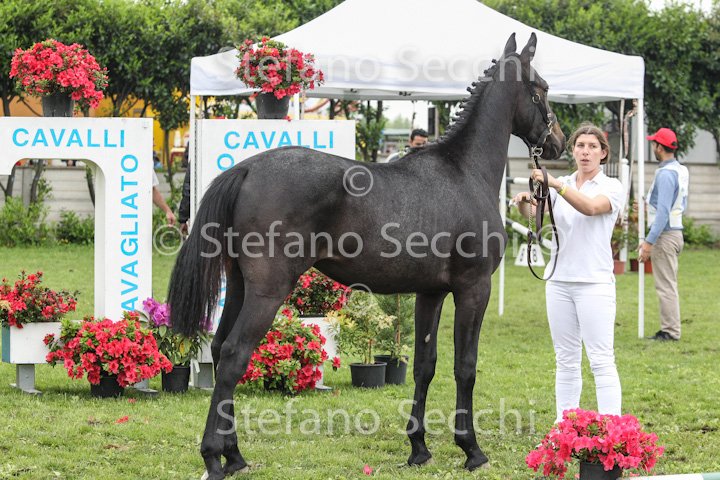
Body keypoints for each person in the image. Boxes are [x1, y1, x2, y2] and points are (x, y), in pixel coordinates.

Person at [512, 123, 625, 422]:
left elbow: (590, 208)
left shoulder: (611, 186)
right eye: (580, 146)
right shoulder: (563, 183)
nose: (585, 152)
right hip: (558, 281)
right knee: (565, 360)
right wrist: (524, 203)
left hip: (594, 283)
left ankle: (612, 429)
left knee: (601, 359)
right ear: (573, 151)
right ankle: (564, 427)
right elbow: (537, 215)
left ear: (603, 153)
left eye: (592, 146)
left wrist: (555, 185)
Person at [639, 128, 688, 342]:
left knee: (665, 286)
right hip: (674, 231)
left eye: (654, 143)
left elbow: (663, 213)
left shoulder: (666, 174)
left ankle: (670, 331)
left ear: (659, 147)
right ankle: (670, 329)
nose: (653, 147)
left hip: (665, 235)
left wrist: (648, 242)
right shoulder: (679, 169)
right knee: (668, 284)